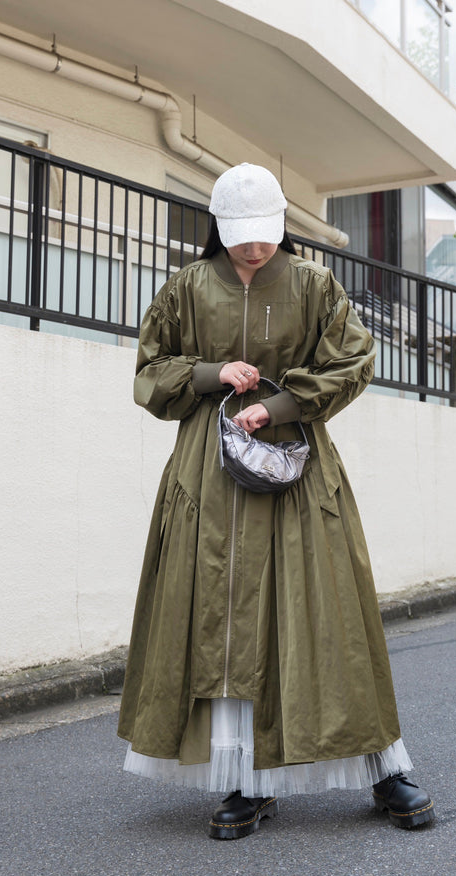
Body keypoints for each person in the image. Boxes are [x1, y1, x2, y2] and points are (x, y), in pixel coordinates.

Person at [117, 162, 434, 839]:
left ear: (282, 224)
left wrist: (281, 404)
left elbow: (352, 362)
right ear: (219, 228)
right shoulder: (187, 287)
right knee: (222, 618)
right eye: (240, 235)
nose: (254, 247)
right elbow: (149, 373)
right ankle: (245, 781)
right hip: (207, 476)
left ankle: (385, 768)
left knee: (328, 616)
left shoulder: (315, 285)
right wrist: (211, 373)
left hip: (297, 471)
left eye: (263, 233)